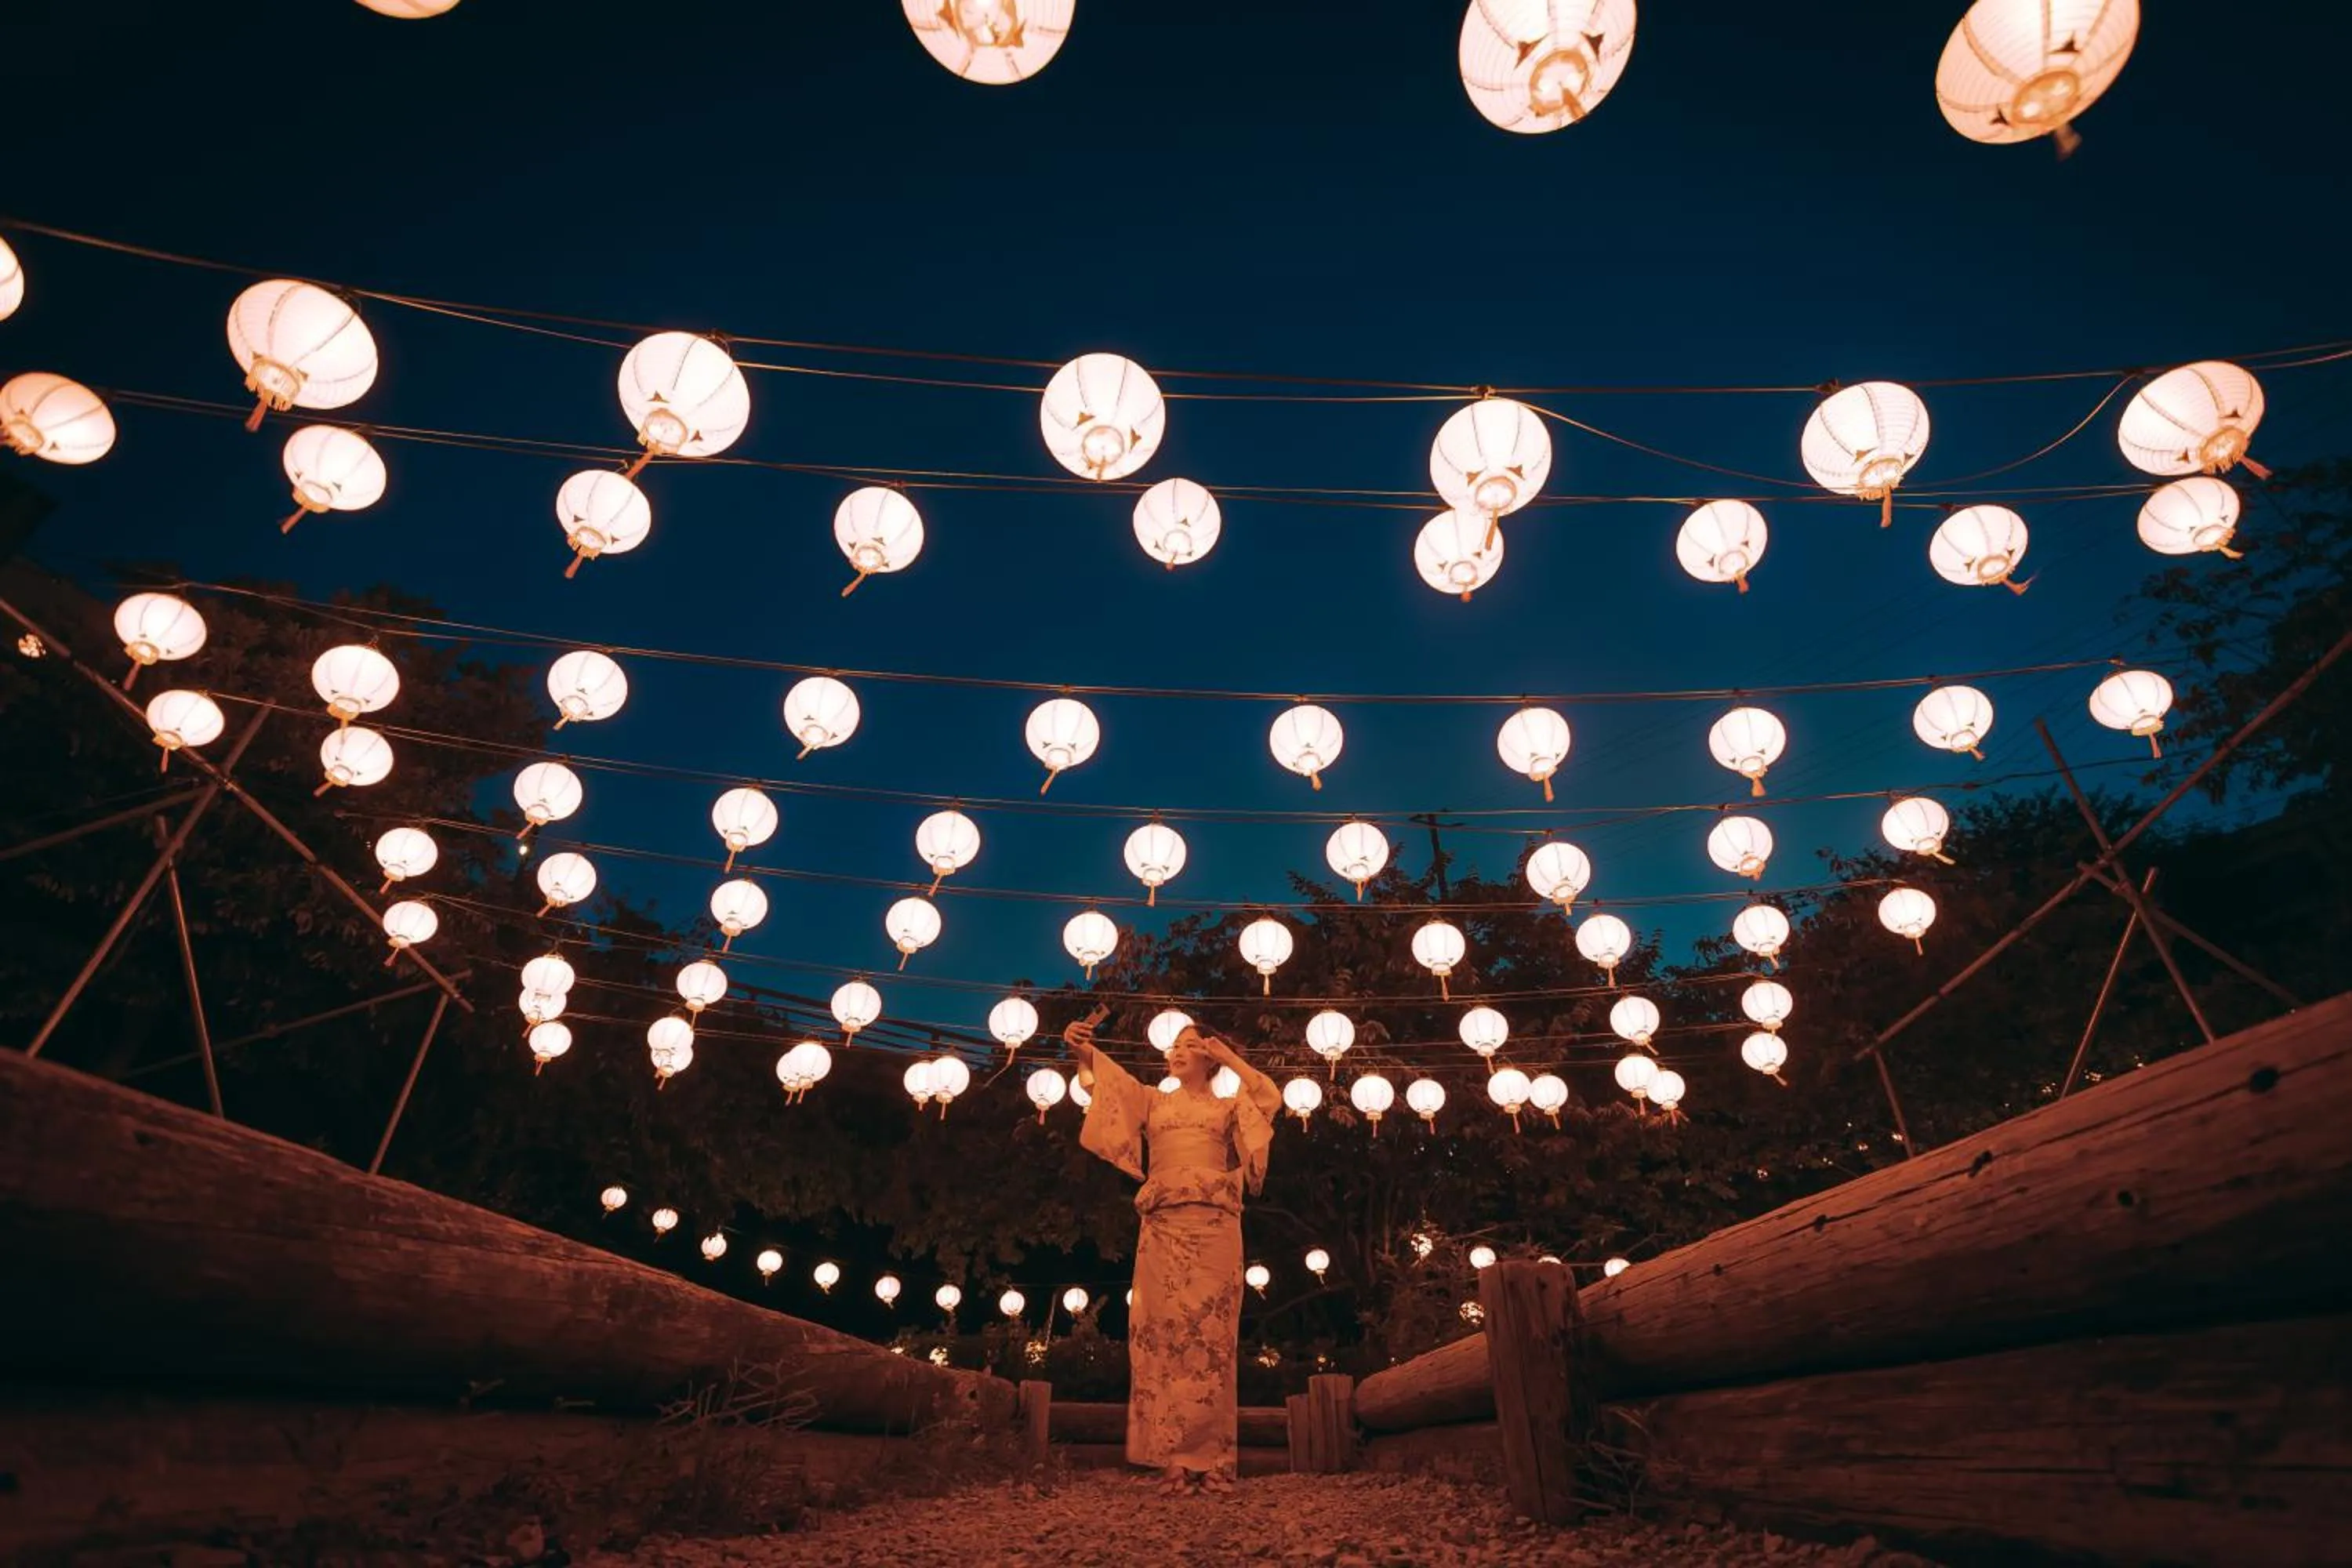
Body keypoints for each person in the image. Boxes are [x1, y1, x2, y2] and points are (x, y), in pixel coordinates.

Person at [1062, 1013, 1281, 1494]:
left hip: (1216, 1228)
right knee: (1163, 1338)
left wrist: (1228, 1055)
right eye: (1174, 1046)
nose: (1177, 1052)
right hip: (1163, 1228)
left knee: (1212, 1339)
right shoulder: (1152, 1100)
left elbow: (1268, 1099)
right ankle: (1174, 1461)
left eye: (1189, 1045)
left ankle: (1215, 1460)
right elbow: (1108, 1085)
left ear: (1208, 1056)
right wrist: (1083, 1050)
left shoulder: (1228, 1108)